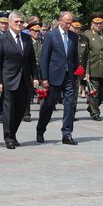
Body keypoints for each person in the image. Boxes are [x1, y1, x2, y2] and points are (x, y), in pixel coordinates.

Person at [0, 11, 36, 149]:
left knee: (20, 109)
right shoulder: (2, 39)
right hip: (8, 79)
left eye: (21, 22)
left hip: (24, 80)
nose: (19, 24)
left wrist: (35, 77)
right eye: (16, 21)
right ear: (10, 23)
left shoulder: (27, 38)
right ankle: (8, 137)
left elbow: (32, 61)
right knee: (9, 110)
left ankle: (13, 133)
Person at [37, 10, 80, 145]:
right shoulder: (51, 35)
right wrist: (44, 78)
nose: (69, 25)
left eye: (70, 23)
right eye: (66, 23)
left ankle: (67, 134)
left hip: (69, 75)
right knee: (49, 105)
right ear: (60, 21)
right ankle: (40, 129)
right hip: (54, 76)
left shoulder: (73, 36)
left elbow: (74, 56)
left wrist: (77, 72)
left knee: (69, 105)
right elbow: (44, 57)